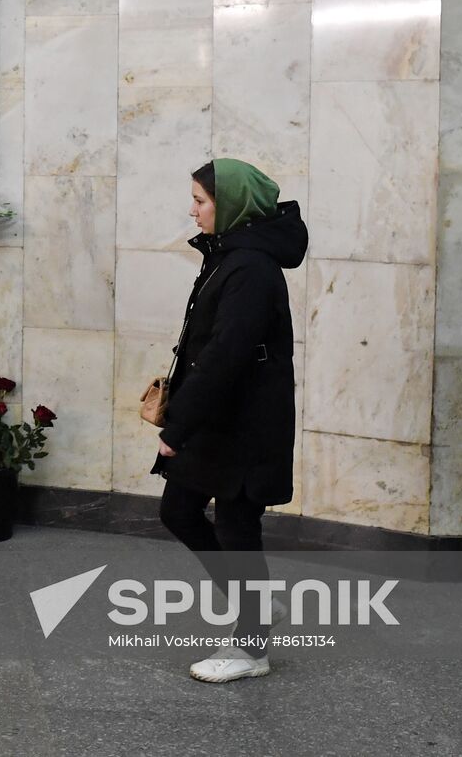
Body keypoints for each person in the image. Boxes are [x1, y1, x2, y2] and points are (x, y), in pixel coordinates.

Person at [152, 158, 307, 683]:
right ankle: (257, 605)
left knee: (239, 524)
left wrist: (177, 429)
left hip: (244, 424)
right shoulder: (231, 255)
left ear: (232, 205)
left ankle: (251, 648)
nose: (192, 211)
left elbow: (225, 355)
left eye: (200, 201)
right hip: (220, 417)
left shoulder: (252, 268)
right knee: (179, 509)